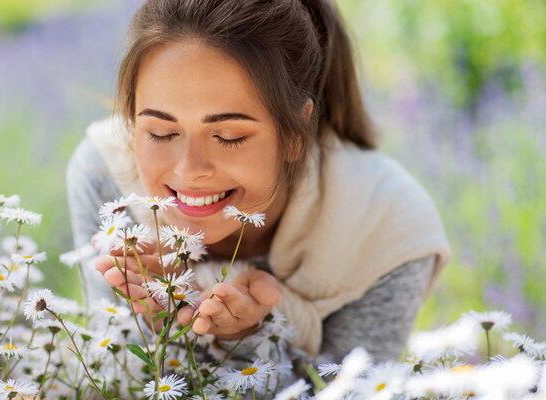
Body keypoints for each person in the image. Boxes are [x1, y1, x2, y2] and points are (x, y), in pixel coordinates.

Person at [66, 0, 451, 383]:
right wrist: (157, 324)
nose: (189, 170)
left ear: (295, 134)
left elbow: (355, 392)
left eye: (228, 136)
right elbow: (109, 379)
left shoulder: (386, 226)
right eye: (161, 133)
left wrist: (249, 339)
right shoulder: (107, 174)